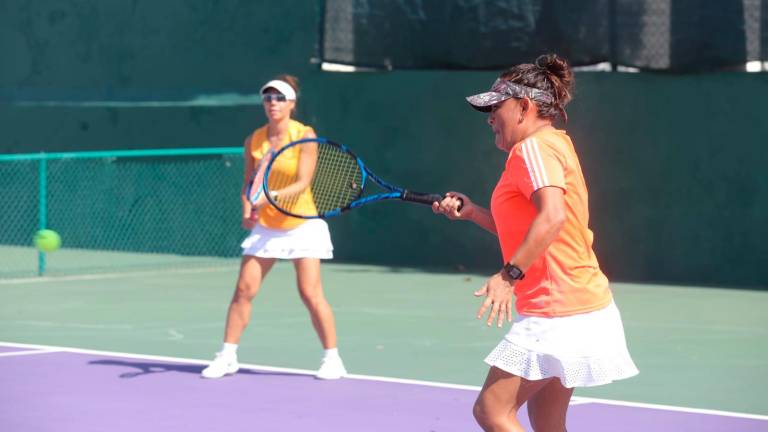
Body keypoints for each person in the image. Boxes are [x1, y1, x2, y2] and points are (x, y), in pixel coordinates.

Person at [432, 54, 638, 431]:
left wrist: (509, 275)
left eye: (497, 107)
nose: (490, 117)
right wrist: (474, 212)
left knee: (491, 411)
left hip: (559, 309)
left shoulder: (534, 149)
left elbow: (553, 217)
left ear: (524, 106)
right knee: (547, 423)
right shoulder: (552, 145)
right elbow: (534, 229)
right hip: (576, 305)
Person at [202, 75, 347, 380]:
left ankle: (332, 358)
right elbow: (248, 182)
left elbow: (302, 181)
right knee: (244, 290)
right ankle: (227, 356)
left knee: (310, 292)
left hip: (301, 224)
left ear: (292, 104)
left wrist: (270, 197)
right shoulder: (254, 140)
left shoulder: (304, 135)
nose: (273, 103)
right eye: (268, 98)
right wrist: (247, 207)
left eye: (280, 98)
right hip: (267, 227)